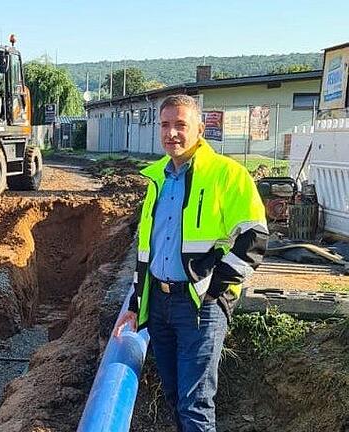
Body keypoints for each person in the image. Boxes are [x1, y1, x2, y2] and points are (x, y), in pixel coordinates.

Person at [114, 94, 268, 431]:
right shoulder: (157, 179)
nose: (172, 133)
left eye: (181, 125)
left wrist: (215, 289)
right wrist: (137, 301)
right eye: (165, 125)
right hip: (159, 304)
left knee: (194, 404)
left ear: (199, 128)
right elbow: (148, 249)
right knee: (173, 396)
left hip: (200, 307)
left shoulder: (226, 174)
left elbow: (254, 238)